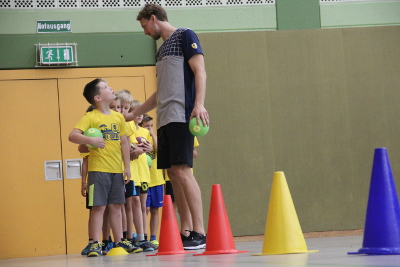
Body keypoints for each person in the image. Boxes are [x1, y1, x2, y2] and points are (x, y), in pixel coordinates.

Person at [127, 4, 209, 250]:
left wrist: (199, 105)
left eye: (144, 26)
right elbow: (160, 92)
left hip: (183, 114)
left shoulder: (185, 35)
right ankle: (187, 230)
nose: (144, 32)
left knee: (184, 171)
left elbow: (200, 72)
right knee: (173, 175)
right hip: (164, 119)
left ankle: (200, 232)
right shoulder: (161, 51)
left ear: (154, 19)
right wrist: (135, 113)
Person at [68, 79, 139, 257]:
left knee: (116, 206)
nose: (111, 88)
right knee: (98, 207)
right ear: (98, 97)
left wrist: (127, 166)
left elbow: (124, 141)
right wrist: (90, 140)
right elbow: (73, 136)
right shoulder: (90, 117)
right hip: (98, 171)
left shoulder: (118, 118)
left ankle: (118, 241)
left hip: (116, 170)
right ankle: (94, 243)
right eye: (106, 87)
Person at [130, 100, 156, 251]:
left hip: (144, 173)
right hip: (133, 173)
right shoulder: (129, 130)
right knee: (133, 204)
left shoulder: (145, 132)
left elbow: (150, 153)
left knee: (143, 207)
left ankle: (144, 237)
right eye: (136, 112)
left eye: (141, 112)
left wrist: (150, 147)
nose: (139, 115)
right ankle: (133, 236)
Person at [139, 114, 165, 247]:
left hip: (157, 179)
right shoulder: (139, 138)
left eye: (151, 126)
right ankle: (143, 236)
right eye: (146, 126)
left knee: (155, 209)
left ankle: (154, 236)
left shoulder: (154, 137)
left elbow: (160, 150)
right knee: (145, 208)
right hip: (144, 179)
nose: (149, 129)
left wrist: (153, 135)